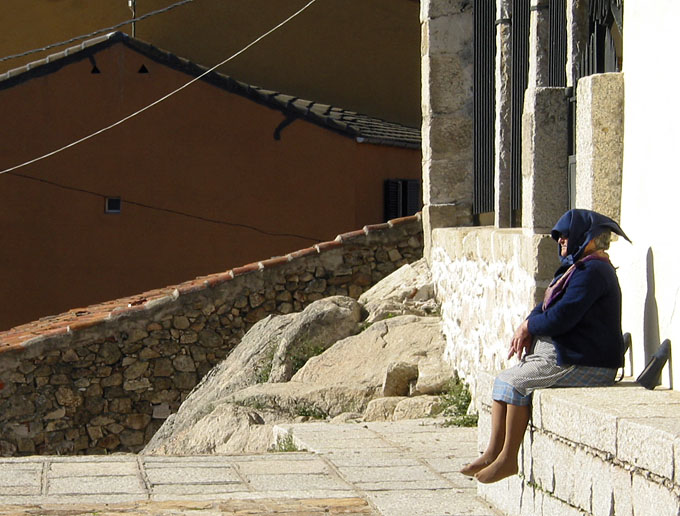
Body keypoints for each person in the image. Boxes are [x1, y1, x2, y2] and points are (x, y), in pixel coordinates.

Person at [461, 209, 631, 484]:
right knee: (503, 380)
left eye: (566, 236)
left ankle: (507, 459)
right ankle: (492, 452)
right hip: (565, 354)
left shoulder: (594, 271)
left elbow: (562, 317)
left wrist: (530, 326)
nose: (561, 241)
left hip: (586, 360)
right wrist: (527, 323)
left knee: (517, 383)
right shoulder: (578, 269)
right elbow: (544, 308)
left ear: (586, 238)